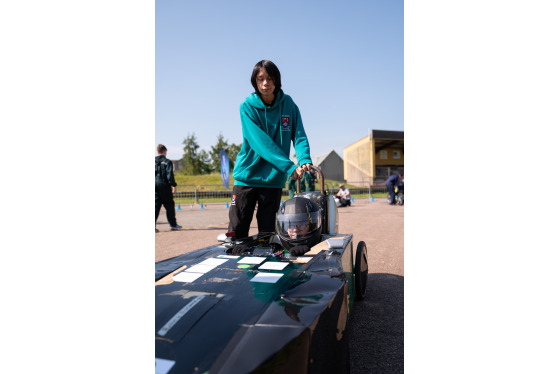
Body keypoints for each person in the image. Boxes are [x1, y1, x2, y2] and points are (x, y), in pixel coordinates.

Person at [229, 60, 313, 239]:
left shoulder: (288, 105)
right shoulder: (247, 107)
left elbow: (298, 134)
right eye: (260, 79)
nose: (265, 83)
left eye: (269, 78)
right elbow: (261, 143)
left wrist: (304, 158)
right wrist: (290, 167)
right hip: (247, 177)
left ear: (276, 80)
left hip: (272, 179)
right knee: (237, 231)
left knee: (268, 235)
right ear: (255, 82)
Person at [155, 144, 182, 232]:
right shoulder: (168, 162)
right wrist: (174, 185)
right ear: (165, 151)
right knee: (169, 205)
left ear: (157, 152)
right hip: (164, 185)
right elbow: (170, 175)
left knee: (155, 206)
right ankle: (173, 225)